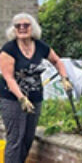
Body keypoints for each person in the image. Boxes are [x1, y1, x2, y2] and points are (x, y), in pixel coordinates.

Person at [0, 13, 73, 163]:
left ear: (32, 28)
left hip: (35, 97)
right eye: (18, 26)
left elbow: (57, 61)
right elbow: (9, 78)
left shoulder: (40, 46)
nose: (22, 28)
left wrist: (64, 78)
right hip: (13, 99)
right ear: (14, 29)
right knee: (15, 139)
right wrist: (22, 99)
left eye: (26, 25)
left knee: (28, 138)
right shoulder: (9, 49)